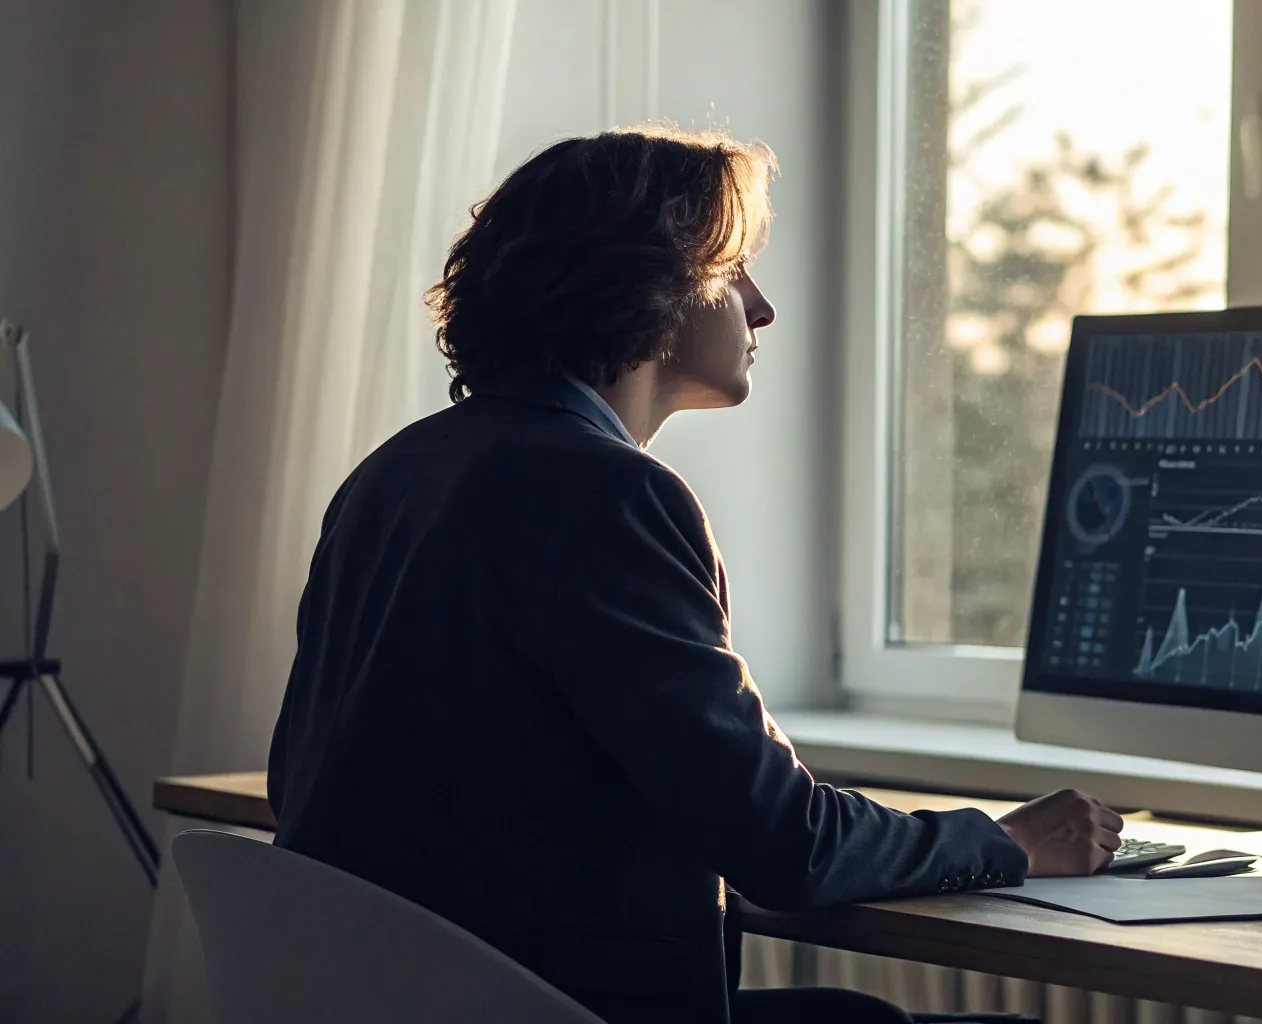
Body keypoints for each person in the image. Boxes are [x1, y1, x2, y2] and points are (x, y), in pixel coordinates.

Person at [266, 124, 1124, 1024]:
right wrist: (1004, 842)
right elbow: (782, 846)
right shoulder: (609, 496)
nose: (760, 309)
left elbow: (305, 783)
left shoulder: (395, 472)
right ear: (649, 290)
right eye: (734, 270)